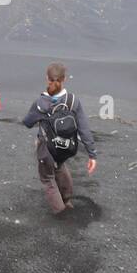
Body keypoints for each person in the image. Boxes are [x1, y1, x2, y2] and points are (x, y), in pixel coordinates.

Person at [22, 62, 96, 215]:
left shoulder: (41, 103)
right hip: (66, 147)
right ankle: (67, 200)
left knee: (48, 179)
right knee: (60, 166)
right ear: (64, 79)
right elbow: (84, 128)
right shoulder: (73, 101)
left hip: (46, 148)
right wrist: (91, 154)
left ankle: (61, 212)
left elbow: (28, 123)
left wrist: (39, 114)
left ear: (47, 79)